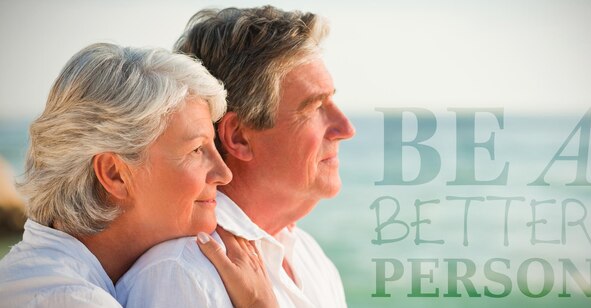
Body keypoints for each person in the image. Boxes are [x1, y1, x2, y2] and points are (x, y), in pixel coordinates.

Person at [0, 43, 277, 308]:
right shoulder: (68, 298)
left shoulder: (46, 277)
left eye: (212, 147)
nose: (224, 173)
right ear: (115, 174)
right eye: (196, 150)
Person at [116, 6, 355, 308]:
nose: (346, 128)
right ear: (239, 137)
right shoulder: (183, 274)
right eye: (313, 107)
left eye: (331, 100)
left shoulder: (308, 255)